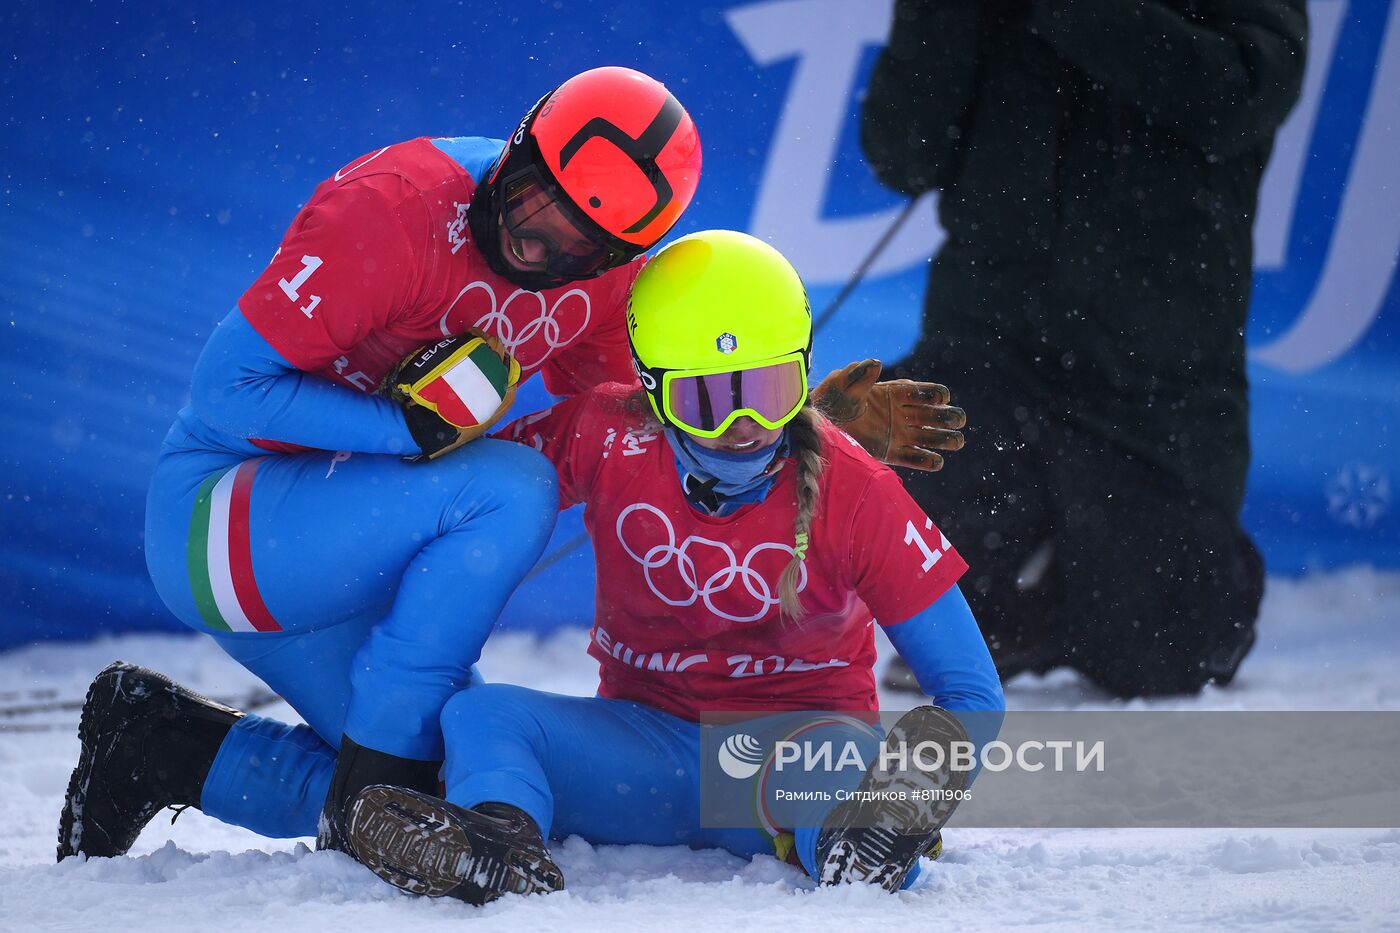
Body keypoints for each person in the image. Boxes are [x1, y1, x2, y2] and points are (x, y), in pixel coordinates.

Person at [57, 70, 965, 861]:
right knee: (512, 487)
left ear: (621, 259)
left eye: (576, 247)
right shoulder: (397, 206)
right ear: (520, 139)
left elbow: (666, 423)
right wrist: (403, 430)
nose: (536, 246)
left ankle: (163, 746)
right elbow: (224, 392)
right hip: (222, 515)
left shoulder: (606, 287)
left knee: (457, 785)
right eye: (532, 202)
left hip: (346, 534)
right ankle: (376, 780)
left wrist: (803, 427)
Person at [337, 230, 1005, 904]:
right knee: (485, 715)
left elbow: (972, 692)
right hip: (639, 754)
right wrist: (389, 452)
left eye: (771, 389)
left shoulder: (857, 487)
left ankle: (858, 844)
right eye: (707, 401)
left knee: (848, 767)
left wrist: (919, 784)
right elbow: (461, 489)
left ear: (803, 370)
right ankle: (496, 843)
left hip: (795, 752)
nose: (744, 424)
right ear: (651, 393)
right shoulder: (606, 431)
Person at [861, 0, 1307, 697]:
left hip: (1155, 394)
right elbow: (902, 152)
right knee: (867, 506)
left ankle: (1043, 594)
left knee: (1175, 636)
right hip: (989, 359)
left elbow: (1240, 95)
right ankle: (1011, 588)